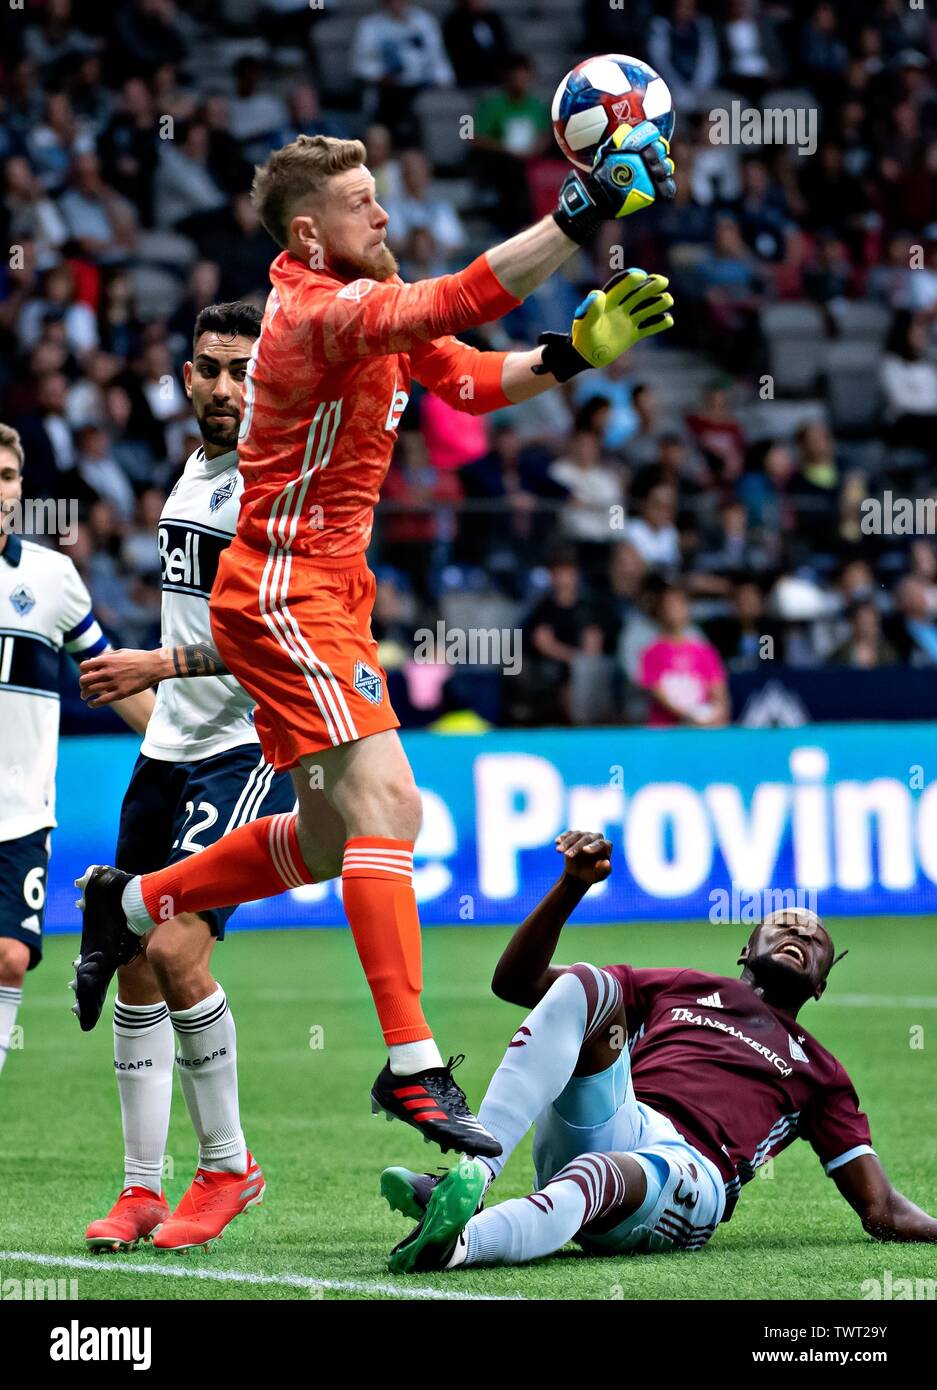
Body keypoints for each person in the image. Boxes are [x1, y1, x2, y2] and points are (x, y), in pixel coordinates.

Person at [71, 127, 677, 1156]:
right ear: (310, 232)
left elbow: (473, 377)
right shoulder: (318, 309)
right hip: (280, 588)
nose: (383, 215)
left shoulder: (369, 288)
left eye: (378, 196)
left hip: (330, 593)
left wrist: (574, 354)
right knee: (391, 804)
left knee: (322, 838)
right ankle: (412, 1066)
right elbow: (457, 301)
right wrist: (580, 213)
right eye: (361, 203)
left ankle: (132, 899)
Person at [380, 831, 937, 1272]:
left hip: (690, 1173)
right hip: (623, 1118)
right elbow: (516, 984)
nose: (801, 935)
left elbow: (882, 1210)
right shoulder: (686, 985)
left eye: (816, 941)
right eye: (784, 925)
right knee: (587, 983)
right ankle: (477, 1174)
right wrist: (571, 886)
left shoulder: (820, 1070)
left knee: (599, 1172)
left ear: (819, 986)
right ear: (745, 950)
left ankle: (455, 1248)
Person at [78, 303, 296, 1255]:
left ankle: (228, 1166)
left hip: (245, 748)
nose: (221, 387)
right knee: (130, 961)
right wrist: (156, 697)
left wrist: (154, 666)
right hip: (168, 748)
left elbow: (279, 641)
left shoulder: (272, 481)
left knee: (173, 950)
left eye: (241, 370)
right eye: (207, 368)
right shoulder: (197, 468)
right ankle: (138, 1191)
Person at [0, 423, 152, 1085]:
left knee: (8, 958)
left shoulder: (52, 578)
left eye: (6, 477)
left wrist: (177, 745)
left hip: (18, 812)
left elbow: (106, 675)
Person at [639, 582, 729, 727]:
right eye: (669, 605)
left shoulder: (705, 651)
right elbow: (657, 692)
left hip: (702, 731)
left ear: (687, 608)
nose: (674, 610)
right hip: (666, 731)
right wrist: (691, 716)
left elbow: (718, 690)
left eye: (679, 604)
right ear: (660, 611)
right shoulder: (651, 652)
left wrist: (718, 713)